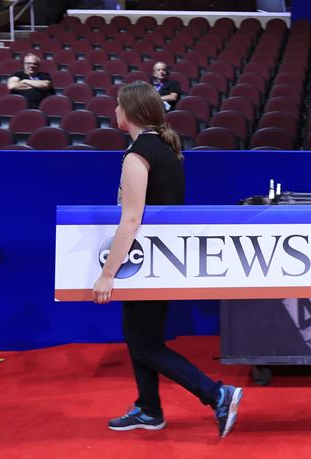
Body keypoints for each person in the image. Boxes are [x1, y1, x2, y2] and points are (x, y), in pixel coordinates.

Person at [92, 81, 242, 437]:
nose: (114, 112)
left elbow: (130, 220)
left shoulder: (137, 156)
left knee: (145, 344)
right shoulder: (167, 150)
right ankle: (149, 408)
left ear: (130, 112)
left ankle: (217, 393)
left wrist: (107, 274)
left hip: (144, 264)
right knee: (141, 340)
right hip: (160, 263)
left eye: (118, 106)